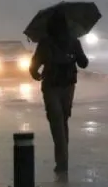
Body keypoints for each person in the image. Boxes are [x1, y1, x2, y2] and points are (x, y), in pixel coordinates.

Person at [29, 10, 89, 174]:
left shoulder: (45, 42)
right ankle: (63, 158)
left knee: (57, 122)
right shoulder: (73, 41)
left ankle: (62, 159)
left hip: (51, 86)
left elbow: (34, 66)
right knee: (62, 120)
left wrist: (36, 74)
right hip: (68, 85)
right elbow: (84, 63)